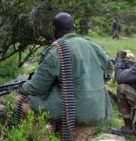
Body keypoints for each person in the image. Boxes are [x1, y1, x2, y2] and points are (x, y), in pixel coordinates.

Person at [17, 12, 113, 141]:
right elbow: (109, 70)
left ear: (55, 30)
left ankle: (43, 136)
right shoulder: (91, 44)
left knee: (21, 100)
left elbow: (37, 87)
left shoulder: (56, 50)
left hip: (73, 109)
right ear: (72, 27)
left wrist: (22, 86)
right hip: (95, 109)